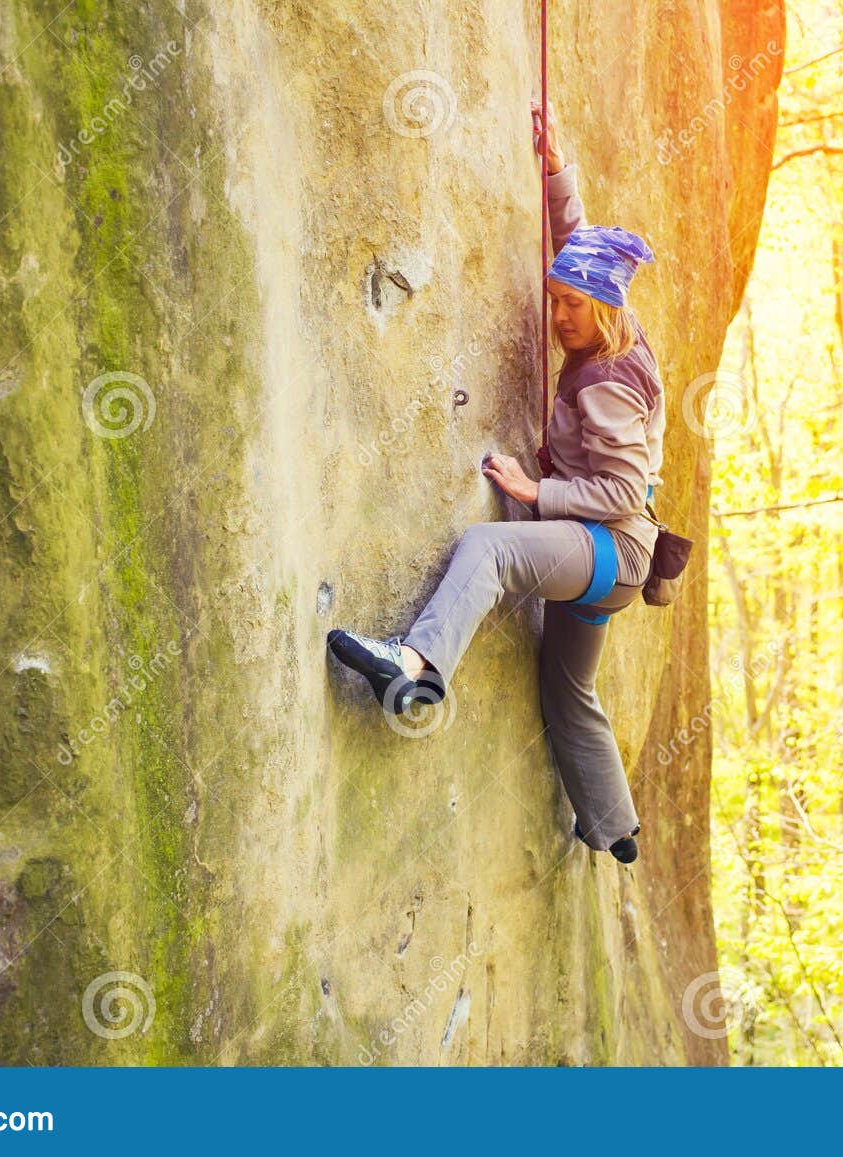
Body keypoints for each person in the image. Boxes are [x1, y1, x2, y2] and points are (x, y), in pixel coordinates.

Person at [328, 100, 665, 865]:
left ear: (603, 309)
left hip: (610, 551)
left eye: (572, 307)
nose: (559, 317)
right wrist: (556, 171)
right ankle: (614, 826)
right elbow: (578, 246)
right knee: (566, 689)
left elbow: (620, 493)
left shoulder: (611, 380)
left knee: (489, 546)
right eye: (556, 301)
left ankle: (416, 668)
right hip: (607, 558)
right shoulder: (615, 316)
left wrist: (532, 489)